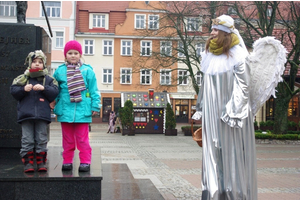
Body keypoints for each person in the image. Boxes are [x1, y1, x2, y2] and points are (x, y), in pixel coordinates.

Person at [192, 15, 257, 199]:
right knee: (212, 153)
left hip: (230, 115)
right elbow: (205, 84)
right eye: (212, 29)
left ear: (225, 32)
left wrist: (234, 111)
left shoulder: (239, 55)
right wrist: (201, 108)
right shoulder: (209, 55)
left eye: (215, 30)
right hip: (212, 113)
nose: (211, 33)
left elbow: (244, 85)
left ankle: (233, 194)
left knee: (232, 154)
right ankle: (212, 193)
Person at [50, 40, 101, 172]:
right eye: (70, 53)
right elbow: (55, 89)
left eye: (76, 53)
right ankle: (67, 160)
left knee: (83, 139)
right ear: (65, 55)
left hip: (82, 109)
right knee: (67, 139)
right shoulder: (60, 71)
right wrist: (52, 101)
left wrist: (95, 106)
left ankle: (85, 161)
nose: (73, 55)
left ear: (80, 54)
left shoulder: (87, 71)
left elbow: (94, 89)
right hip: (65, 109)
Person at [10, 50, 59, 173]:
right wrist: (23, 89)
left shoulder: (48, 79)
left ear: (44, 64)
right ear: (29, 63)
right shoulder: (23, 78)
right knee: (27, 139)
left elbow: (54, 92)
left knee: (41, 138)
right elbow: (14, 91)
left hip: (42, 115)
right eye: (34, 62)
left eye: (40, 62)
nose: (37, 64)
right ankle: (28, 162)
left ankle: (41, 161)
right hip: (26, 115)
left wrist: (44, 88)